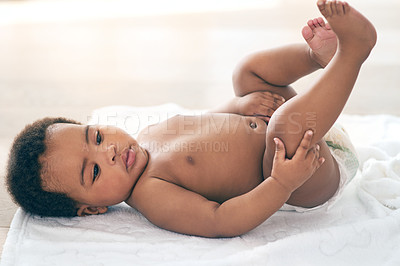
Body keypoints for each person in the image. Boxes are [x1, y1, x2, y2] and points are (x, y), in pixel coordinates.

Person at [6, 0, 376, 238]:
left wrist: (239, 107)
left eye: (98, 138)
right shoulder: (152, 193)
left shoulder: (149, 135)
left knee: (245, 75)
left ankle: (317, 57)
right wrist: (281, 183)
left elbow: (205, 121)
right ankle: (352, 53)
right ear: (92, 209)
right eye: (95, 172)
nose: (111, 154)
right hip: (305, 174)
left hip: (299, 124)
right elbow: (220, 220)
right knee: (283, 127)